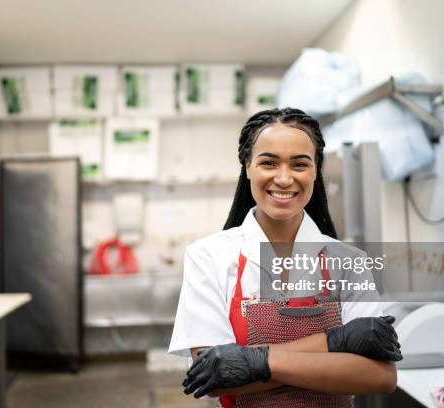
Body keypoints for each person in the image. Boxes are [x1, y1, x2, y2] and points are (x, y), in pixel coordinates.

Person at [168, 108, 401, 407]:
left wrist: (256, 362)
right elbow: (215, 376)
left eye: (299, 164)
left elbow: (379, 377)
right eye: (268, 163)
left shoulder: (349, 261)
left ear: (316, 170)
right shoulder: (209, 256)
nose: (284, 178)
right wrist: (334, 344)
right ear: (247, 166)